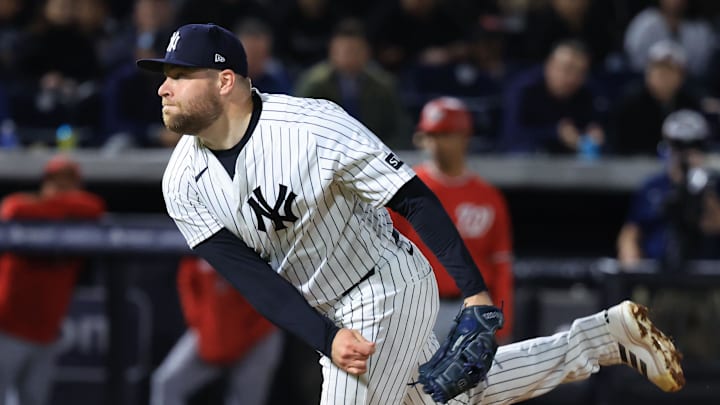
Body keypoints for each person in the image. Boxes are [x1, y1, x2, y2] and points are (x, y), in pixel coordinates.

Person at [137, 23, 685, 404]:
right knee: (455, 398)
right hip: (329, 310)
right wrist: (324, 336)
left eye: (179, 75)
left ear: (225, 81)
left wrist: (473, 292)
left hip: (385, 283)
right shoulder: (181, 179)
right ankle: (602, 338)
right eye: (164, 74)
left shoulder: (312, 126)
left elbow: (412, 196)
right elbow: (252, 278)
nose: (163, 86)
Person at [388, 97, 514, 343]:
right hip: (416, 309)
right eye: (431, 135)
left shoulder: (487, 196)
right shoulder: (405, 189)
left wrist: (503, 319)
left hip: (470, 309)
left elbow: (501, 264)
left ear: (464, 137)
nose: (437, 143)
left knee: (472, 382)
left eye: (445, 134)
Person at [0, 155, 105, 405]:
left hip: (46, 334)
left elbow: (95, 206)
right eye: (55, 181)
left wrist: (55, 208)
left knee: (34, 399)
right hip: (7, 328)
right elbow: (12, 209)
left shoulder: (80, 220)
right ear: (44, 183)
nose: (60, 188)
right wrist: (58, 208)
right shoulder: (23, 210)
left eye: (68, 183)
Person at [616, 109, 720, 359]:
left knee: (703, 350)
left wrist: (701, 188)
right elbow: (630, 234)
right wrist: (635, 271)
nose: (684, 153)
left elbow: (714, 225)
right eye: (678, 146)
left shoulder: (713, 185)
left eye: (692, 146)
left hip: (704, 284)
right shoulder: (653, 187)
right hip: (657, 281)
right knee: (650, 349)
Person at [151, 256, 282, 405]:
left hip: (255, 338)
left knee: (244, 401)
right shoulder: (199, 242)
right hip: (210, 331)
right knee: (166, 383)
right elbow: (187, 281)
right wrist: (202, 324)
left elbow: (270, 302)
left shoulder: (252, 244)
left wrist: (237, 341)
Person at [294, 18, 411, 150]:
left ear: (367, 52)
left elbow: (400, 127)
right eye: (346, 51)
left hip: (374, 153)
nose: (351, 56)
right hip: (327, 152)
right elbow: (302, 126)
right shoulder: (315, 84)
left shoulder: (384, 85)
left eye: (356, 51)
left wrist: (382, 152)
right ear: (332, 52)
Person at [500, 39, 605, 155]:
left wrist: (594, 134)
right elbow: (512, 138)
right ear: (549, 66)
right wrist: (555, 134)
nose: (572, 78)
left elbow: (595, 127)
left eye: (580, 72)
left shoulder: (588, 92)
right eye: (567, 69)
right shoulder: (525, 90)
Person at [609, 39, 701, 156]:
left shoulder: (690, 103)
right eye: (659, 70)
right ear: (648, 74)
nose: (664, 78)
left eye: (671, 71)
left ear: (682, 77)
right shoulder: (630, 103)